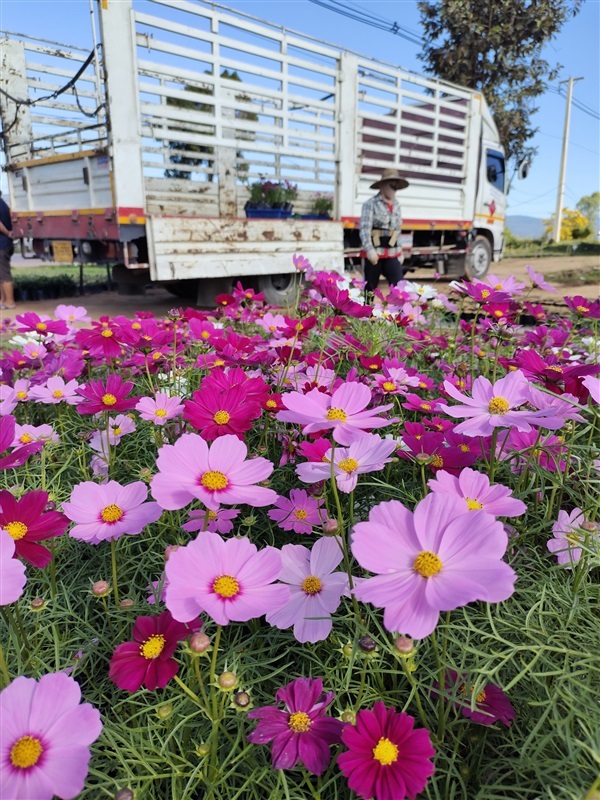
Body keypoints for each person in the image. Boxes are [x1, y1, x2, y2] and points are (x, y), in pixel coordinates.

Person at [359, 168, 409, 293]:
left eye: (396, 186)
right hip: (375, 253)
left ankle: (401, 312)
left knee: (399, 287)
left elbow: (397, 230)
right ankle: (366, 311)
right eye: (391, 185)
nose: (394, 189)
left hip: (392, 253)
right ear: (382, 185)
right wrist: (369, 250)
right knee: (370, 289)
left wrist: (400, 250)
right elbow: (365, 229)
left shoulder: (397, 205)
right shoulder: (370, 204)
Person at [0, 191, 16, 310]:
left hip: (2, 244)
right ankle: (3, 300)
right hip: (5, 243)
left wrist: (7, 233)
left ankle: (10, 302)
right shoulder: (3, 203)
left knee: (4, 273)